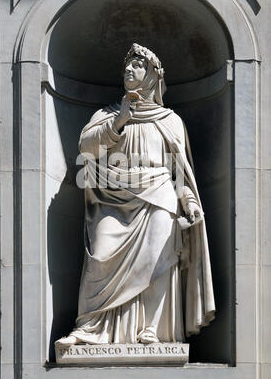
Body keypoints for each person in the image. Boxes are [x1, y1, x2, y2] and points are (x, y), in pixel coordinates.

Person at [55, 43, 215, 347]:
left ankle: (152, 329)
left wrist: (190, 202)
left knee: (158, 261)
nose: (129, 70)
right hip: (113, 198)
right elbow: (87, 147)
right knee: (100, 256)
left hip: (160, 194)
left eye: (137, 65)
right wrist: (120, 120)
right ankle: (90, 327)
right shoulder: (107, 113)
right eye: (127, 65)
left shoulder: (170, 120)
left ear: (153, 75)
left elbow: (179, 170)